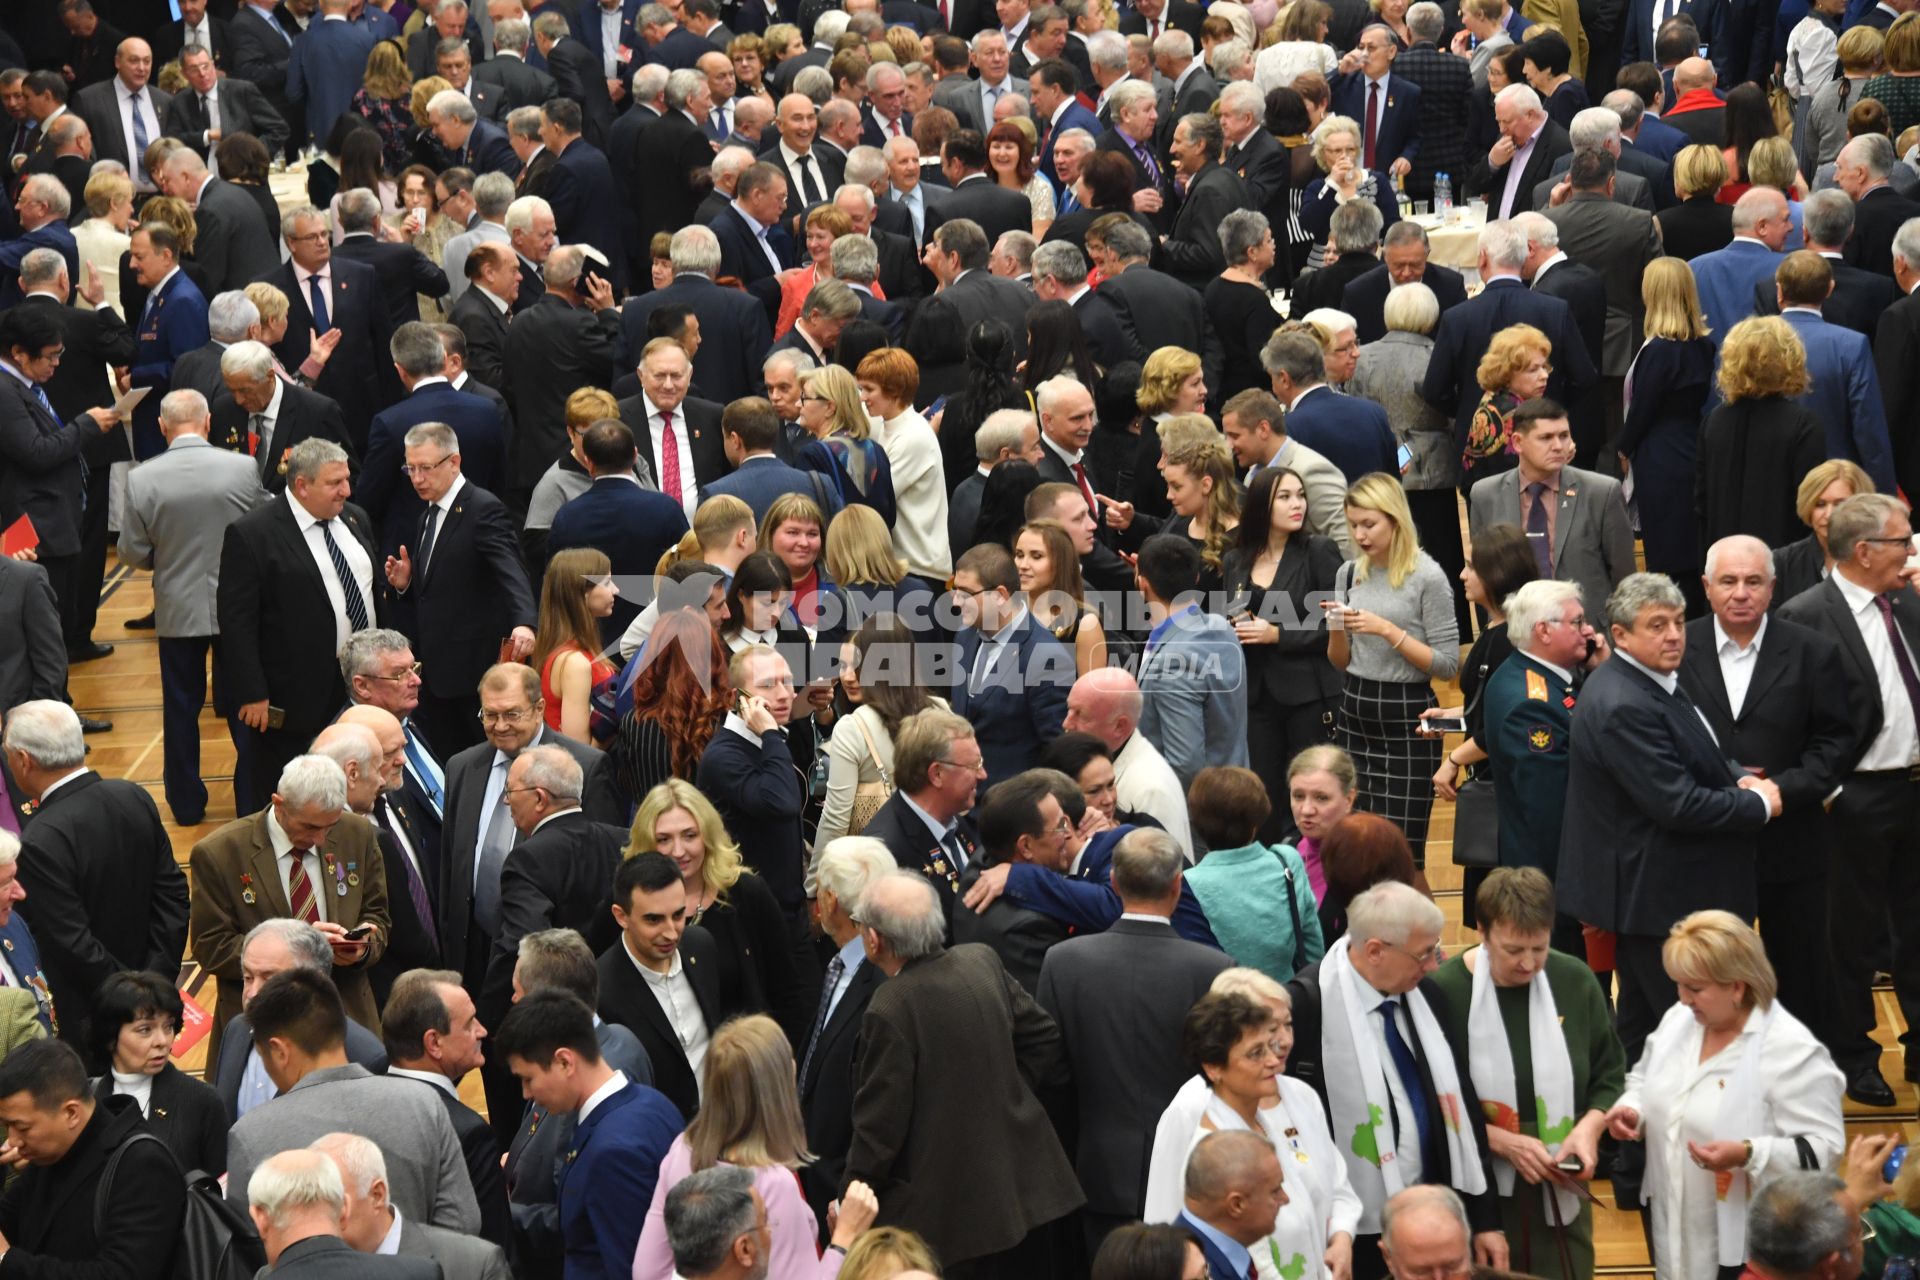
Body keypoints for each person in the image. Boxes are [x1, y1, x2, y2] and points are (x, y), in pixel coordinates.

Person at [1559, 573, 1780, 1060]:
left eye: (1678, 622)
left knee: (1644, 1033)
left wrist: (1738, 776)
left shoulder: (1646, 680)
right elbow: (1676, 803)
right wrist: (1758, 802)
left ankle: (1630, 1133)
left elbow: (1702, 752)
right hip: (1659, 898)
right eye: (1657, 625)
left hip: (1658, 894)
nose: (1674, 634)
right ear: (1620, 635)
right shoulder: (1624, 703)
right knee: (1685, 1036)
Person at [845, 869, 1082, 1275]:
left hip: (955, 1220)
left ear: (873, 940)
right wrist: (1007, 1091)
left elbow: (879, 1131)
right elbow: (1043, 1038)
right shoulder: (980, 960)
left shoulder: (890, 1006)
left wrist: (852, 1196)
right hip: (1029, 1189)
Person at [1678, 534, 1855, 1061]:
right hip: (1704, 843)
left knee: (1800, 973)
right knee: (1707, 972)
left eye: (1753, 581)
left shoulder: (1812, 650)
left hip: (1793, 844)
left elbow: (1836, 742)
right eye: (1728, 581)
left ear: (1772, 588)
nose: (1740, 593)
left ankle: (1794, 1080)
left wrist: (1783, 789)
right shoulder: (1675, 650)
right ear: (1706, 588)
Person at [1283, 881, 1505, 1280]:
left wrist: (1486, 1219)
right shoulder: (1305, 1008)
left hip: (1433, 1213)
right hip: (1353, 1234)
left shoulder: (1428, 998)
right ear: (1374, 951)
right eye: (1423, 955)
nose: (1434, 965)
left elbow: (1463, 1110)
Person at [1605, 911, 1845, 1280]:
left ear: (1738, 986)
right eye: (1679, 985)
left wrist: (1749, 1153)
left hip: (1746, 1243)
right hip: (1671, 1223)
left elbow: (1824, 1149)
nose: (1683, 999)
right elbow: (1643, 1079)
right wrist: (1632, 1109)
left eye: (1695, 988)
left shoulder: (1790, 1050)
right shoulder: (1680, 1021)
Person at [1778, 492, 1920, 1104]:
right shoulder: (1807, 614)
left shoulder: (1909, 601)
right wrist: (1830, 791)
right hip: (1852, 798)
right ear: (1864, 551)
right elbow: (1789, 717)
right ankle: (1854, 1056)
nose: (1911, 549)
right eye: (1902, 539)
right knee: (1848, 938)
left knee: (1917, 931)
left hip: (1914, 789)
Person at [1035, 827, 1234, 1251]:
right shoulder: (1214, 968)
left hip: (1097, 1173)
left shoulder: (1064, 962)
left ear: (1114, 882)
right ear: (1178, 885)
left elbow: (1050, 1074)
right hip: (1191, 1173)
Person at [1425, 869, 1625, 1280]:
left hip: (1561, 1185)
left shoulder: (1575, 979)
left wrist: (1588, 1130)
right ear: (1481, 929)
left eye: (1540, 947)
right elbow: (1429, 1100)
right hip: (1479, 1190)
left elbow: (1609, 1074)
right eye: (1513, 949)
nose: (1529, 963)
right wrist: (1498, 1141)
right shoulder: (1443, 991)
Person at [225, 967, 482, 1232]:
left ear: (279, 1050)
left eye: (263, 1054)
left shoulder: (250, 1134)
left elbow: (249, 1249)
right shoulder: (423, 1103)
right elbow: (464, 1224)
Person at [0, 698, 182, 1062]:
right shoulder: (133, 795)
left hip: (94, 1021)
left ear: (23, 760)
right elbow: (174, 898)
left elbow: (73, 944)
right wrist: (155, 986)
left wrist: (133, 1001)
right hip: (152, 1002)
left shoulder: (38, 840)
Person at [117, 387, 267, 823]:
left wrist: (164, 561)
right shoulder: (242, 467)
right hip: (238, 609)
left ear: (162, 427)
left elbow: (129, 551)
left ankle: (185, 805)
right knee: (246, 703)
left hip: (176, 608)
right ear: (207, 423)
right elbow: (260, 532)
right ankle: (251, 797)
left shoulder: (142, 477)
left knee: (180, 709)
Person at [632, 1015, 878, 1278]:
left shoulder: (683, 1149)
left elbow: (647, 1272)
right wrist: (844, 1239)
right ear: (777, 1092)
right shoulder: (774, 1185)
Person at [1145, 985, 1360, 1280]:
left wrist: (1340, 1236)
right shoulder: (1209, 1151)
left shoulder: (1270, 1120)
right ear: (1214, 1068)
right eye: (1255, 1053)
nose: (1273, 1060)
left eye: (1270, 1047)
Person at [438, 662, 621, 1002]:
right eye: (489, 715)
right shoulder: (462, 767)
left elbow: (600, 873)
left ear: (539, 709)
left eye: (511, 714)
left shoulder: (584, 766)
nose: (500, 726)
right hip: (473, 954)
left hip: (549, 964)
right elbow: (451, 864)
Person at [493, 989, 684, 1280]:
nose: (526, 1093)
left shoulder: (612, 1153)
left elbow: (628, 1268)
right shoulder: (654, 1104)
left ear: (565, 1062)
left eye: (528, 1078)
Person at [1326, 474, 1457, 880]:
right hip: (1355, 709)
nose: (1360, 534)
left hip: (1407, 717)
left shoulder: (1428, 577)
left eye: (1370, 524)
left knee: (1403, 858)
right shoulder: (1348, 573)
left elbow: (1447, 664)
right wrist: (1334, 627)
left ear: (1395, 520)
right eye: (1353, 525)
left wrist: (1388, 630)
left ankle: (1426, 943)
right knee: (1360, 851)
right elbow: (1341, 662)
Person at [1220, 466, 1341, 840]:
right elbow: (1229, 613)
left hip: (1310, 694)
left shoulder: (1318, 551)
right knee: (1266, 799)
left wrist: (1277, 634)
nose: (1297, 504)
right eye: (1285, 497)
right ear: (1261, 505)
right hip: (1256, 697)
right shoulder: (1236, 559)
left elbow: (1336, 627)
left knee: (1313, 796)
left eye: (1300, 495)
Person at [0, 1038, 188, 1279]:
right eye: (7, 1127)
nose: (13, 1140)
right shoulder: (50, 1153)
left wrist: (7, 1260)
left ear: (71, 1113)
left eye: (22, 1128)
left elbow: (119, 1273)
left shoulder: (144, 1166)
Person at [1468, 397, 1634, 626]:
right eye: (1546, 438)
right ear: (1517, 443)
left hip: (1587, 636)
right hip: (1516, 634)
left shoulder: (1602, 493)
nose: (1558, 446)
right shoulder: (1485, 495)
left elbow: (1625, 580)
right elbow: (1484, 577)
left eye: (1564, 436)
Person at [378, 969, 511, 1248]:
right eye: (470, 1023)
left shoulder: (363, 1106)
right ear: (434, 1043)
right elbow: (494, 1248)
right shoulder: (468, 1133)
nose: (482, 1031)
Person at [1618, 258, 1716, 609]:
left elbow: (1644, 408)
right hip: (1689, 446)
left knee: (1670, 551)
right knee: (1688, 546)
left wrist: (1623, 447)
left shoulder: (1660, 350)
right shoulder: (1701, 345)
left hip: (1660, 455)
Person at [1182, 767, 1326, 982]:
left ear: (1197, 824)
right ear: (1256, 823)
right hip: (1287, 1004)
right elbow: (1313, 950)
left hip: (1221, 1010)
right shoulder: (1286, 860)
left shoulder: (1186, 885)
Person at [1697, 316, 1827, 552]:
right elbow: (1810, 508)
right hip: (1781, 563)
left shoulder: (1714, 422)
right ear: (1789, 360)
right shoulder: (1803, 425)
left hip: (1723, 561)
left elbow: (1701, 503)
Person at [952, 541, 1074, 791]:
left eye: (965, 593)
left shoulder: (1046, 657)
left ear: (1000, 595)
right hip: (961, 807)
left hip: (1013, 809)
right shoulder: (965, 636)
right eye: (953, 590)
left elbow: (1058, 751)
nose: (955, 601)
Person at [88, 968, 226, 1177]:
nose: (162, 1041)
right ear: (110, 1037)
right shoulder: (87, 1100)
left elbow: (221, 1189)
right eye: (145, 1030)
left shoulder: (203, 1101)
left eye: (168, 1027)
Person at [1171, 1129, 1294, 1280]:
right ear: (1237, 1205)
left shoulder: (1213, 1253)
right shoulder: (1191, 1271)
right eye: (1275, 1191)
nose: (1285, 1199)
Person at [529, 548, 617, 744]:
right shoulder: (574, 662)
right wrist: (612, 718)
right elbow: (579, 751)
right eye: (607, 582)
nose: (615, 590)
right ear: (582, 593)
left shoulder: (576, 651)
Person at [1457, 324, 1552, 492]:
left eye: (1544, 367)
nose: (1544, 376)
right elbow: (1519, 481)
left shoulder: (1492, 398)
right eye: (1533, 370)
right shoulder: (1511, 415)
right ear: (1507, 374)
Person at [1773, 460, 1875, 604]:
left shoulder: (1882, 556)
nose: (1829, 514)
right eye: (1820, 504)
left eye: (1840, 504)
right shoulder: (1782, 563)